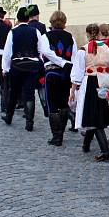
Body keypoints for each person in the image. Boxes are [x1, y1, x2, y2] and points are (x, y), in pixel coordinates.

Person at [70, 24, 109, 162]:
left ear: (87, 34)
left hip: (90, 83)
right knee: (95, 115)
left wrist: (73, 90)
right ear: (98, 34)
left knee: (94, 118)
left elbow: (77, 74)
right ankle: (86, 145)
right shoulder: (108, 49)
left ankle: (105, 151)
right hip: (105, 82)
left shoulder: (83, 50)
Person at [2, 7, 44, 131]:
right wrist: (38, 61)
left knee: (14, 92)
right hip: (32, 66)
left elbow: (7, 53)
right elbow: (40, 50)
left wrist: (5, 69)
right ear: (28, 18)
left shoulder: (13, 32)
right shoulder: (35, 31)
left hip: (17, 65)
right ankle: (29, 122)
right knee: (30, 93)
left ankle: (9, 116)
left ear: (18, 18)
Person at [43, 11, 74, 146]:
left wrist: (60, 61)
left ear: (51, 22)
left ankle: (57, 136)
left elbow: (46, 52)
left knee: (52, 105)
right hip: (67, 72)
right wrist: (67, 64)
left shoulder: (46, 36)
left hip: (52, 72)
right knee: (63, 104)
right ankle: (60, 132)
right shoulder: (70, 37)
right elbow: (74, 55)